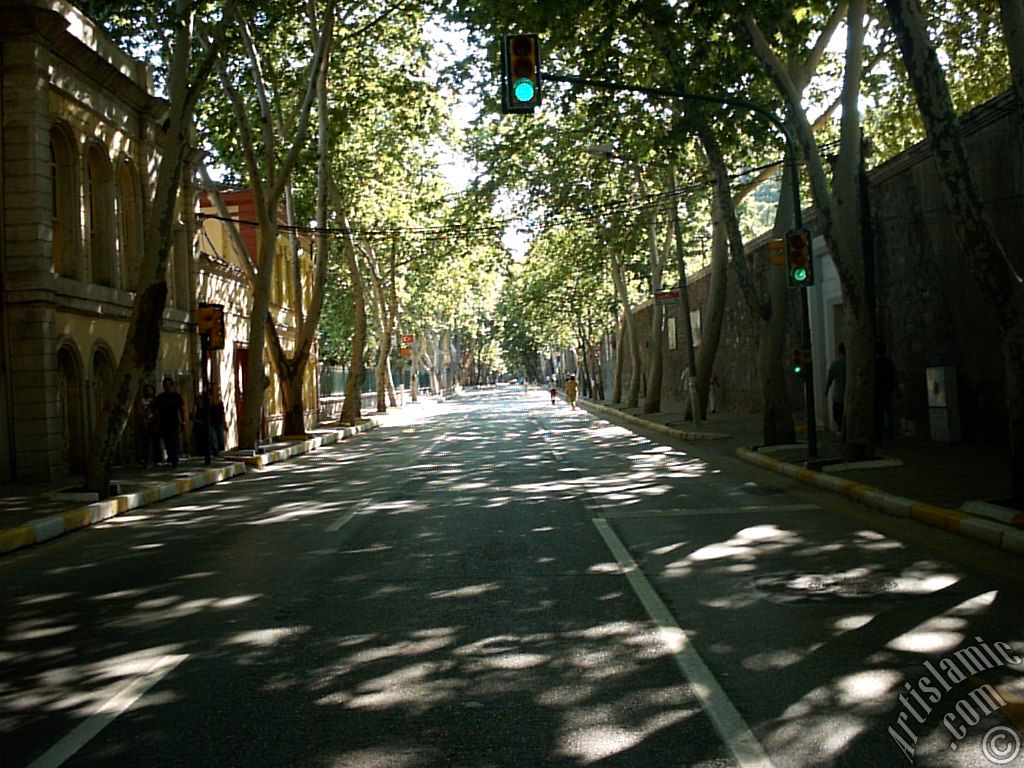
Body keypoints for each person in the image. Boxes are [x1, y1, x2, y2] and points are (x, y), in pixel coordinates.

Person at [153, 376, 185, 468]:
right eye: (165, 385)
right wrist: (156, 422)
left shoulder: (176, 396)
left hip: (174, 422)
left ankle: (174, 459)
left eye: (169, 384)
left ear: (172, 385)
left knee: (174, 440)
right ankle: (170, 458)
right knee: (167, 441)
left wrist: (183, 422)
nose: (167, 386)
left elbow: (181, 409)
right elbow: (157, 411)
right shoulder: (160, 397)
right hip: (163, 423)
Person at [875, 341, 898, 443]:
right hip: (888, 390)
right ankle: (889, 435)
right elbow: (894, 377)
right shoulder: (889, 362)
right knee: (889, 413)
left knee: (878, 414)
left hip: (877, 391)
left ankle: (880, 435)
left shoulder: (874, 362)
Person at [825, 343, 847, 432]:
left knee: (838, 414)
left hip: (838, 395)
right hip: (847, 395)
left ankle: (840, 428)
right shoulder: (851, 362)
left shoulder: (835, 364)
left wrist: (826, 390)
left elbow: (830, 378)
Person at [135, 383, 157, 467]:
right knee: (145, 442)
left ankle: (156, 459)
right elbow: (138, 411)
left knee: (155, 441)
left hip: (153, 421)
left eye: (150, 390)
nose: (149, 392)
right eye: (147, 390)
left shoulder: (156, 400)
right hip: (144, 422)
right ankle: (145, 459)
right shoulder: (142, 401)